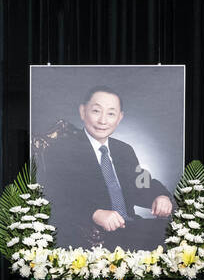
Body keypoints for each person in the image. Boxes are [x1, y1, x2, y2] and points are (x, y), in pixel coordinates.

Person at [42, 86, 173, 250]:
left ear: (119, 118)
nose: (103, 120)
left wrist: (160, 196)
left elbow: (142, 184)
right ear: (83, 112)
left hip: (129, 227)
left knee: (180, 237)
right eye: (96, 111)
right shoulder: (62, 150)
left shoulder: (124, 150)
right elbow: (56, 197)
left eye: (111, 113)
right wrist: (94, 213)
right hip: (89, 234)